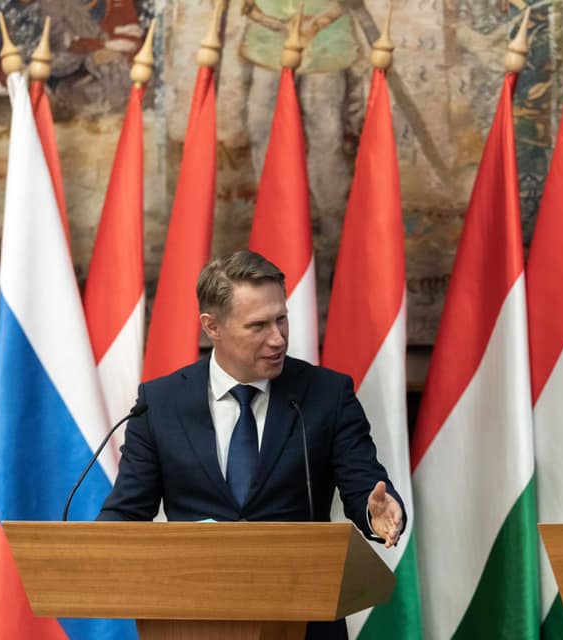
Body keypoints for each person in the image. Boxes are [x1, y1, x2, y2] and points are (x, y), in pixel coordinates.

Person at [99, 250, 404, 640]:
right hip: (193, 621)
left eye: (281, 319)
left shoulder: (326, 394)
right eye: (258, 325)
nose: (278, 338)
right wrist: (89, 552)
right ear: (212, 326)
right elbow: (126, 513)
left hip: (303, 617)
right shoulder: (160, 402)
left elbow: (365, 487)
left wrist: (379, 514)